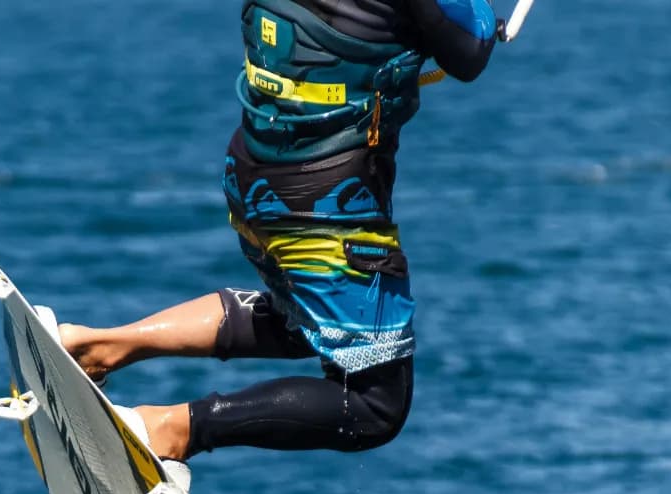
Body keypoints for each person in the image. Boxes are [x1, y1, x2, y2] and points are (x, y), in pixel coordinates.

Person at [60, 0, 498, 462]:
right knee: (375, 405)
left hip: (254, 179)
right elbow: (470, 51)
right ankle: (169, 430)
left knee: (303, 321)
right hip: (326, 207)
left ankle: (99, 347)